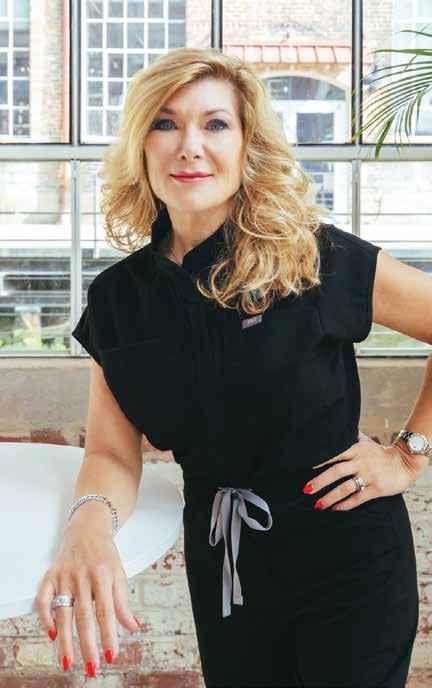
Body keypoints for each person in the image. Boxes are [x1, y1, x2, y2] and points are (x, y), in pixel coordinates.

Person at [35, 47, 429, 686]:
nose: (189, 146)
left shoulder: (315, 259)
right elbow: (110, 452)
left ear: (248, 145)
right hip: (226, 569)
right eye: (165, 123)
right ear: (140, 145)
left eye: (215, 124)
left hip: (349, 565)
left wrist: (409, 455)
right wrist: (90, 525)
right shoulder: (117, 299)